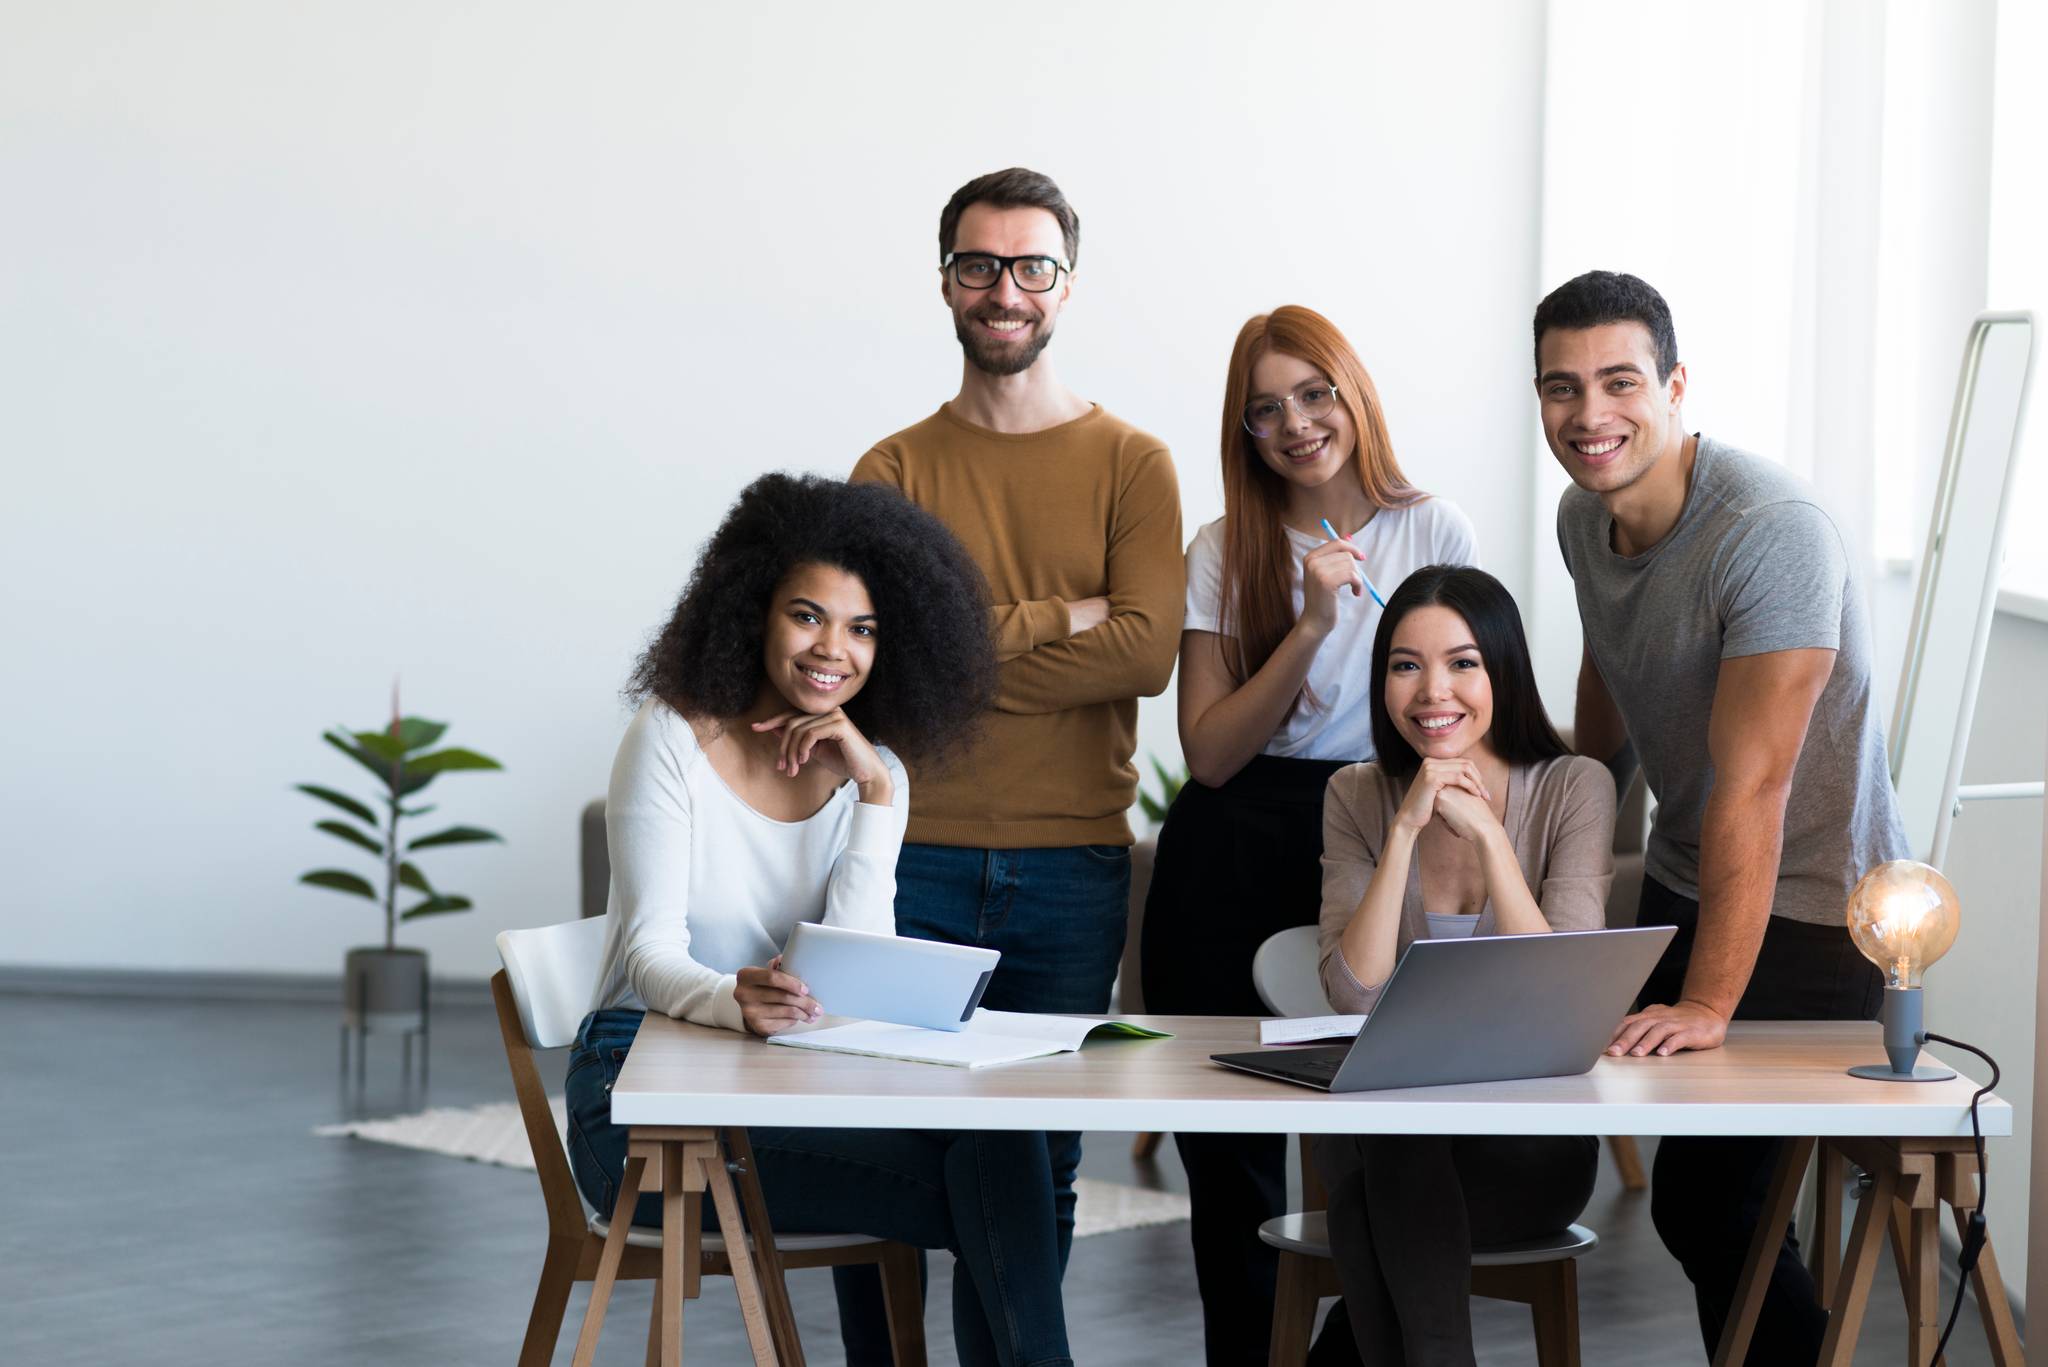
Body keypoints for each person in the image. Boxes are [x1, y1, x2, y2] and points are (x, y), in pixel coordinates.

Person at [565, 472, 1077, 1367]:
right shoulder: (674, 737)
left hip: (776, 1086)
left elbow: (854, 974)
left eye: (863, 627)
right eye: (808, 615)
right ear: (754, 611)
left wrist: (873, 793)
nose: (831, 648)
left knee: (1002, 1144)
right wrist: (735, 998)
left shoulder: (873, 772)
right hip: (642, 1108)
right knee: (993, 1183)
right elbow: (648, 954)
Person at [1536, 270, 1911, 1362]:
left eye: (1617, 382)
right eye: (1561, 388)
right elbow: (1606, 669)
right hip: (1684, 874)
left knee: (1710, 1203)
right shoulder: (1582, 512)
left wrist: (1708, 998)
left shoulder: (1768, 532)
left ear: (1674, 384)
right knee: (1710, 1209)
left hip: (1805, 907)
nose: (1588, 415)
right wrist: (1569, 797)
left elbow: (1757, 786)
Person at [846, 166, 1184, 1360]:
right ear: (944, 280)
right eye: (978, 264)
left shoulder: (1131, 463)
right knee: (887, 1159)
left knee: (1036, 1168)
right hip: (911, 857)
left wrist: (970, 636)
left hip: (1069, 869)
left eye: (1029, 265)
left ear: (1065, 284)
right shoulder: (890, 472)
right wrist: (1063, 617)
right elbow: (882, 668)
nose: (1004, 289)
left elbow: (1143, 655)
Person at [1138, 305, 1477, 1366]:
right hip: (1230, 838)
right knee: (1225, 1142)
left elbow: (1465, 702)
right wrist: (1311, 625)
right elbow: (1210, 751)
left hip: (1377, 823)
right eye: (1264, 409)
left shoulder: (1432, 528)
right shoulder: (1219, 546)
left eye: (1313, 392)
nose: (1294, 423)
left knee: (1382, 1128)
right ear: (1243, 432)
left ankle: (1344, 1349)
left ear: (1352, 390)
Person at [1314, 564, 1614, 1366]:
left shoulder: (1575, 786)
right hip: (1395, 1141)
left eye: (1462, 662)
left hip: (1529, 1146)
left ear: (1502, 671)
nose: (1431, 690)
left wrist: (1487, 834)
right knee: (1394, 1140)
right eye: (1405, 665)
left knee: (1365, 1197)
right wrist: (1407, 831)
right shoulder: (1356, 795)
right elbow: (1351, 995)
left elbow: (1557, 999)